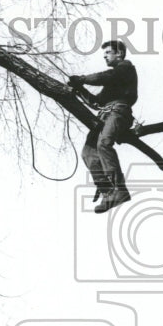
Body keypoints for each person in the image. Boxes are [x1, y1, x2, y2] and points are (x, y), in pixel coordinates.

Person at [68, 40, 137, 214]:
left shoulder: (125, 68)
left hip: (118, 112)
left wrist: (82, 79)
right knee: (88, 152)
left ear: (119, 53)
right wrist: (80, 88)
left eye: (108, 52)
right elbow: (97, 102)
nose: (105, 56)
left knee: (104, 144)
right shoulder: (112, 80)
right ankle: (108, 192)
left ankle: (119, 189)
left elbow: (106, 77)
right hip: (105, 115)